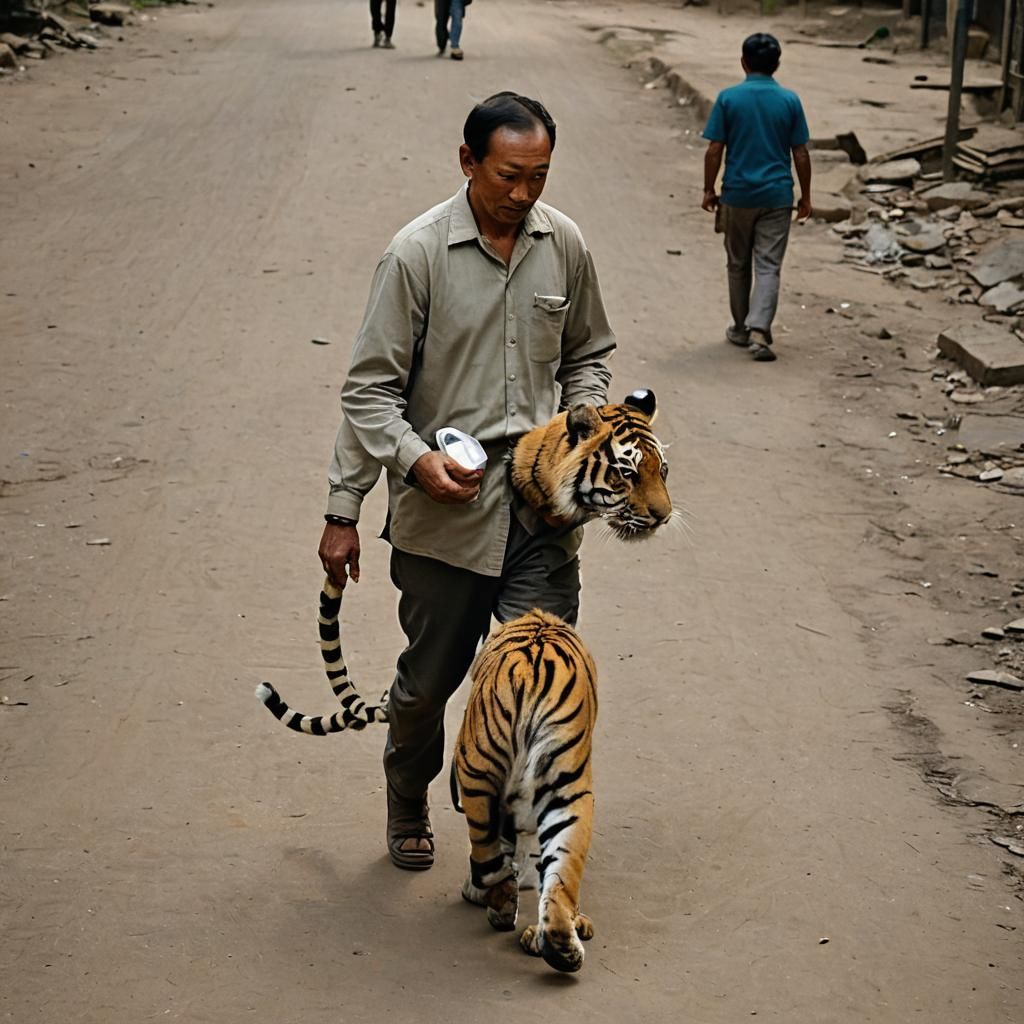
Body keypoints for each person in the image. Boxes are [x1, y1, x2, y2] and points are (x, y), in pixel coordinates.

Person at [318, 92, 616, 871]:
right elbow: (369, 392)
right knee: (426, 689)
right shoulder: (415, 255)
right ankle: (409, 791)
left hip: (543, 521)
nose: (523, 194)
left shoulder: (566, 246)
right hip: (442, 520)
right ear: (468, 163)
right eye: (508, 176)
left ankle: (508, 840)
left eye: (539, 177)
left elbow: (589, 355)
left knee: (534, 691)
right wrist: (359, 498)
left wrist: (581, 432)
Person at [701, 32, 811, 363]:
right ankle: (760, 329)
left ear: (743, 62)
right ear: (776, 64)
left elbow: (715, 148)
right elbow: (801, 153)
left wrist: (709, 188)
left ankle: (740, 327)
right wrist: (806, 196)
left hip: (737, 194)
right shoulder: (790, 100)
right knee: (768, 265)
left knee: (738, 262)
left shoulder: (728, 98)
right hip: (777, 195)